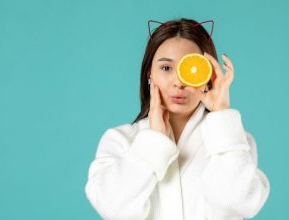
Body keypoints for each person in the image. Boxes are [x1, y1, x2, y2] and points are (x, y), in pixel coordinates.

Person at [84, 18, 270, 220]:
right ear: (149, 74)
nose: (179, 82)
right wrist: (153, 141)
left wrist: (221, 115)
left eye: (191, 68)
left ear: (208, 75)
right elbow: (112, 209)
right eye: (166, 68)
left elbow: (238, 204)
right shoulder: (120, 140)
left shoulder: (232, 141)